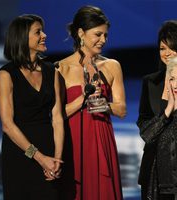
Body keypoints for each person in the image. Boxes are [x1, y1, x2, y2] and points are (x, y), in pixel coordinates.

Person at [57, 5, 126, 200]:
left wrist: (102, 103)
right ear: (81, 33)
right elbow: (57, 115)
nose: (103, 40)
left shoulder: (112, 66)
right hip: (73, 143)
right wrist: (83, 100)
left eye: (105, 35)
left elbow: (121, 110)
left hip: (101, 140)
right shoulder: (60, 69)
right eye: (98, 34)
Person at [0, 14, 64, 200]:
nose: (44, 35)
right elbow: (7, 125)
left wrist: (57, 159)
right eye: (38, 32)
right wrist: (41, 158)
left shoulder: (52, 71)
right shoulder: (6, 74)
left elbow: (57, 118)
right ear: (22, 38)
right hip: (20, 152)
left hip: (49, 149)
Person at [137, 20, 177, 200]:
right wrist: (167, 111)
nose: (167, 53)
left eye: (172, 48)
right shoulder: (150, 82)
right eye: (162, 48)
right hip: (155, 171)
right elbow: (146, 132)